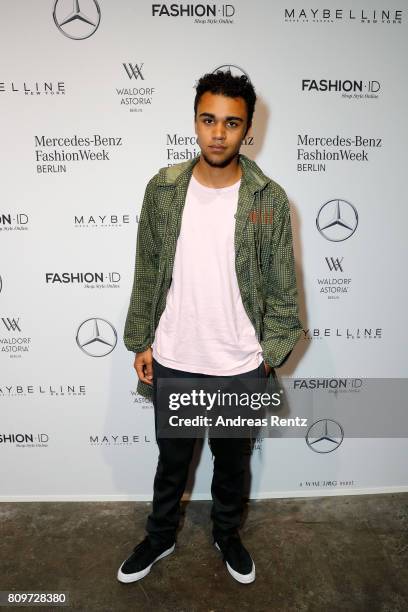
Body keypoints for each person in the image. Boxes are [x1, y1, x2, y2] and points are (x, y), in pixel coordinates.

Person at [118, 70, 302, 585]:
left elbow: (283, 285)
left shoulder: (267, 200)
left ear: (248, 131)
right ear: (195, 122)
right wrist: (142, 341)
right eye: (208, 120)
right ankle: (160, 537)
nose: (218, 133)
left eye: (231, 123)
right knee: (170, 464)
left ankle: (227, 533)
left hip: (240, 361)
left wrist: (271, 352)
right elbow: (148, 267)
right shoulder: (164, 189)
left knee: (232, 464)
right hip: (175, 355)